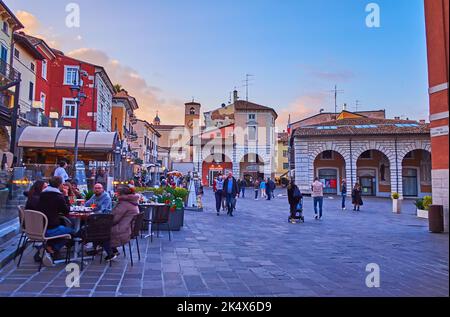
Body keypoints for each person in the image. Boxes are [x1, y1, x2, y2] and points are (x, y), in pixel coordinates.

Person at [89, 186, 140, 261]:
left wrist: (102, 221)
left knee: (99, 231)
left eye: (117, 193)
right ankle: (112, 250)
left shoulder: (124, 204)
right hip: (127, 228)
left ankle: (110, 253)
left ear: (121, 194)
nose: (116, 194)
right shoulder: (131, 202)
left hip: (122, 230)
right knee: (99, 228)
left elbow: (114, 219)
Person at [36, 176, 74, 264]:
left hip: (40, 227)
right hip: (50, 229)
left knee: (63, 227)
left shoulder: (42, 195)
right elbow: (66, 211)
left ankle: (48, 247)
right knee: (73, 232)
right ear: (60, 185)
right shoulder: (58, 196)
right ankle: (51, 248)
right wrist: (65, 196)